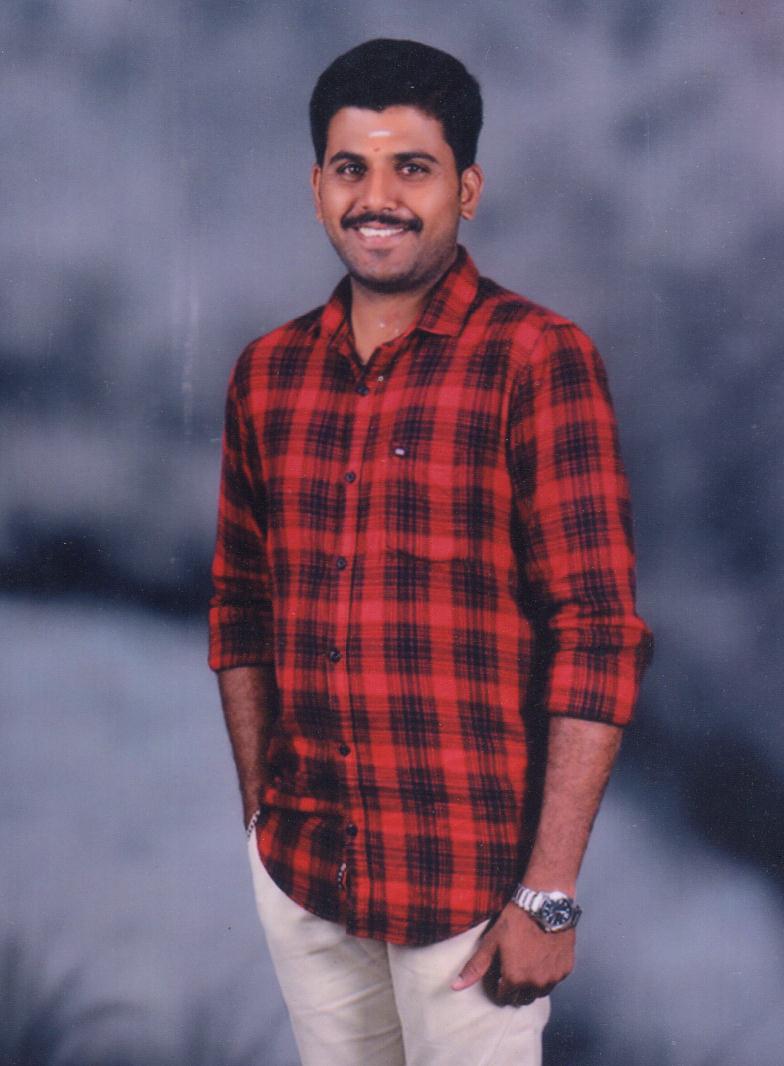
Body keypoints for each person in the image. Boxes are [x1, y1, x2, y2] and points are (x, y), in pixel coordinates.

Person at [209, 37, 652, 1066]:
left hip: (472, 894)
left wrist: (547, 895)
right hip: (307, 876)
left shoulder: (536, 358)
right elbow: (239, 606)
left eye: (412, 167)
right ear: (317, 188)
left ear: (468, 188)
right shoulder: (267, 374)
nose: (378, 198)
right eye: (350, 168)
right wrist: (260, 820)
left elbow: (598, 632)